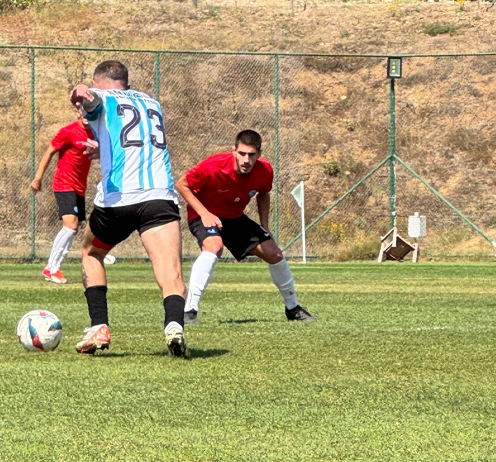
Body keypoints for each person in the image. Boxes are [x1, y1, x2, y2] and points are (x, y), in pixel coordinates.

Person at [70, 60, 188, 357]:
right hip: (159, 197)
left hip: (118, 199)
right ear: (126, 83)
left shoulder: (101, 96)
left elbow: (92, 102)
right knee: (170, 272)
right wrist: (102, 150)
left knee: (91, 253)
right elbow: (134, 142)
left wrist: (82, 93)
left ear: (99, 82)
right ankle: (174, 325)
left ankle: (99, 326)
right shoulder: (151, 101)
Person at [176, 129, 315, 324]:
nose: (246, 160)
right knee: (214, 247)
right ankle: (189, 311)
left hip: (234, 217)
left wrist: (265, 225)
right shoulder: (213, 166)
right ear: (234, 151)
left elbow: (264, 194)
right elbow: (182, 184)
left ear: (259, 153)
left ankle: (293, 308)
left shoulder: (265, 171)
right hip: (205, 214)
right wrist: (204, 213)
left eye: (251, 155)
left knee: (275, 254)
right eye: (241, 154)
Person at [30, 107, 98, 284]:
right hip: (64, 184)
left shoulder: (96, 132)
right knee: (70, 225)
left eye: (90, 112)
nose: (85, 116)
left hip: (79, 188)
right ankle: (51, 268)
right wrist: (38, 178)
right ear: (78, 113)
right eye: (83, 112)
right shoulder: (68, 132)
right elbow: (49, 152)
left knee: (73, 229)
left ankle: (55, 266)